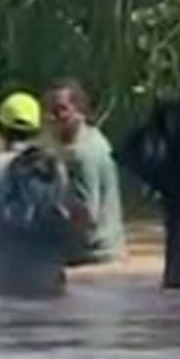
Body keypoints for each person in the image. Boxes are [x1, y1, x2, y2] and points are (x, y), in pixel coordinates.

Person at [0, 92, 74, 299]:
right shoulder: (56, 167)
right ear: (37, 129)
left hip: (2, 286)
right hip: (50, 285)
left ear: (0, 129)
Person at [44, 78, 126, 266]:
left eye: (60, 110)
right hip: (107, 252)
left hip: (92, 256)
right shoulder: (94, 138)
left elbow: (88, 214)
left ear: (80, 111)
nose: (52, 117)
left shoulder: (81, 155)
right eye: (49, 110)